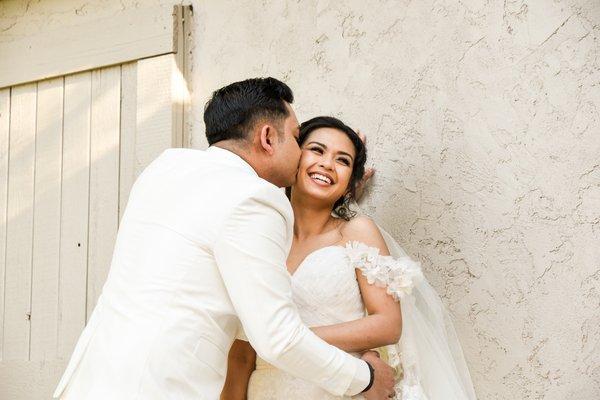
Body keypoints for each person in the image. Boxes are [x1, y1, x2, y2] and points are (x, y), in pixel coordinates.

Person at [52, 78, 396, 400]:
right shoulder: (256, 200)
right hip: (161, 387)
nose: (302, 154)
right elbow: (276, 337)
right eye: (297, 139)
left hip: (91, 380)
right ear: (267, 138)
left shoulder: (165, 168)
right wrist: (364, 377)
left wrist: (337, 190)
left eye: (341, 159)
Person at [221, 116, 478, 399]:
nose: (328, 164)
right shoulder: (262, 238)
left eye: (342, 160)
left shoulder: (357, 232)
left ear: (349, 183)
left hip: (336, 388)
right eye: (317, 150)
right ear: (293, 157)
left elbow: (388, 324)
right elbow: (241, 354)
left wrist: (287, 340)